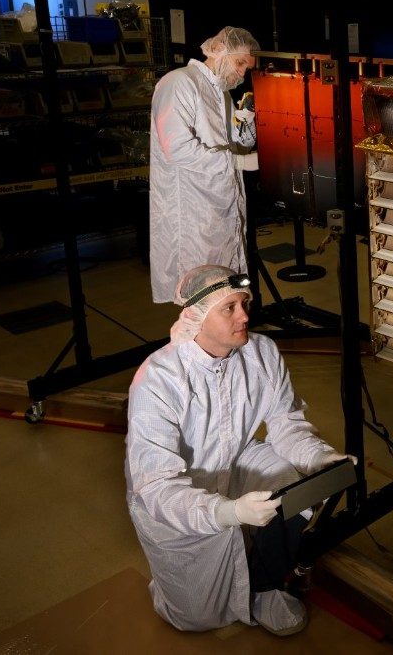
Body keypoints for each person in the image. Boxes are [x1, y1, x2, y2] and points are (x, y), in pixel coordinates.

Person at [125, 264, 353, 635]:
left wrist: (321, 459)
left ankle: (264, 585)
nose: (245, 315)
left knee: (292, 486)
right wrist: (227, 511)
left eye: (244, 302)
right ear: (197, 316)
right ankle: (185, 580)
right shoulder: (158, 379)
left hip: (238, 456)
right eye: (229, 308)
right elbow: (155, 485)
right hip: (178, 488)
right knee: (196, 617)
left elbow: (285, 423)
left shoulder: (261, 352)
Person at [149, 27, 260, 303]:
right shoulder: (179, 83)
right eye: (240, 63)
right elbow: (177, 149)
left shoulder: (220, 92)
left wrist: (246, 120)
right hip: (191, 210)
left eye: (247, 68)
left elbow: (238, 142)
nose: (243, 73)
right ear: (220, 50)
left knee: (226, 290)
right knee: (199, 295)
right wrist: (238, 162)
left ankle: (227, 342)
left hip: (220, 205)